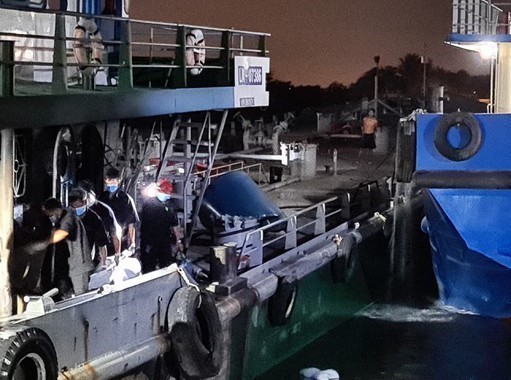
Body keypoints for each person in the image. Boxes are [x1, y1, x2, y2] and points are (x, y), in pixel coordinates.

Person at [140, 179, 183, 273]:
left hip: (164, 242)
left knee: (166, 266)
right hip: (150, 242)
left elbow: (175, 225)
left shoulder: (170, 206)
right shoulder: (149, 204)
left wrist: (178, 240)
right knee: (148, 268)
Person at [78, 179, 122, 261]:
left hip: (101, 253)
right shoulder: (74, 212)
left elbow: (114, 233)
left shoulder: (104, 210)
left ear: (91, 194)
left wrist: (117, 253)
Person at [99, 167, 139, 254]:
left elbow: (131, 223)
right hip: (104, 239)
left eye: (113, 182)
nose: (111, 184)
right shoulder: (102, 198)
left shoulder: (125, 199)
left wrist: (132, 242)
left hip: (122, 238)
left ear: (118, 181)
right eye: (109, 182)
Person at [68, 188, 109, 271]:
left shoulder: (94, 219)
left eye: (79, 205)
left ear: (85, 202)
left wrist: (104, 263)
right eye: (73, 206)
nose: (76, 208)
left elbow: (102, 244)